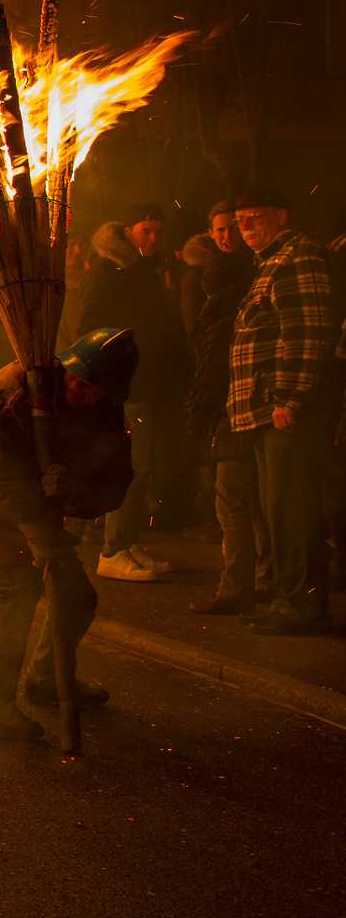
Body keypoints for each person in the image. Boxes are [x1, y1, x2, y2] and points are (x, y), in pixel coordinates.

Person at [0, 327, 136, 739]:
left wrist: (76, 490)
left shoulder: (106, 408)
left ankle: (47, 681)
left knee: (76, 596)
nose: (80, 389)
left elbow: (116, 479)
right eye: (76, 377)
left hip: (31, 505)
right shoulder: (10, 394)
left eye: (92, 387)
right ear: (66, 365)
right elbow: (4, 478)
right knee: (18, 589)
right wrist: (43, 538)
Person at [227, 189, 334, 634]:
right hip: (264, 409)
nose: (247, 227)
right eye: (241, 220)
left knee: (290, 508)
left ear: (282, 217)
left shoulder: (297, 256)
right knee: (280, 508)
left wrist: (290, 399)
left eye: (255, 217)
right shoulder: (270, 261)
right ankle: (296, 602)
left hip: (282, 410)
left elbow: (309, 330)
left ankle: (300, 607)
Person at [79, 203, 191, 580]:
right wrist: (113, 379)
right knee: (130, 465)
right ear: (127, 231)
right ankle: (112, 551)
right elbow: (92, 328)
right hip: (128, 385)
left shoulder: (140, 270)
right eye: (146, 230)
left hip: (148, 381)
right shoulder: (108, 272)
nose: (154, 238)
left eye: (158, 231)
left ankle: (125, 541)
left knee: (141, 466)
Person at [183, 202, 271, 614]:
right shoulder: (247, 296)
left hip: (234, 411)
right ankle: (266, 580)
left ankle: (237, 588)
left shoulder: (225, 314)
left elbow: (214, 367)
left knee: (232, 501)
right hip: (250, 409)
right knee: (255, 503)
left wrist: (198, 414)